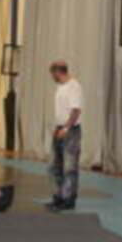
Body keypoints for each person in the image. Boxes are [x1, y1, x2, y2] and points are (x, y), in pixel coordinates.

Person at [46, 60, 83, 212]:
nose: (52, 77)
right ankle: (58, 197)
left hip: (71, 130)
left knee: (69, 167)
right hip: (59, 128)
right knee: (54, 166)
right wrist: (58, 128)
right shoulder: (61, 87)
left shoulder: (74, 86)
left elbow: (76, 111)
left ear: (57, 72)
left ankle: (68, 200)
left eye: (52, 74)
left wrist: (66, 128)